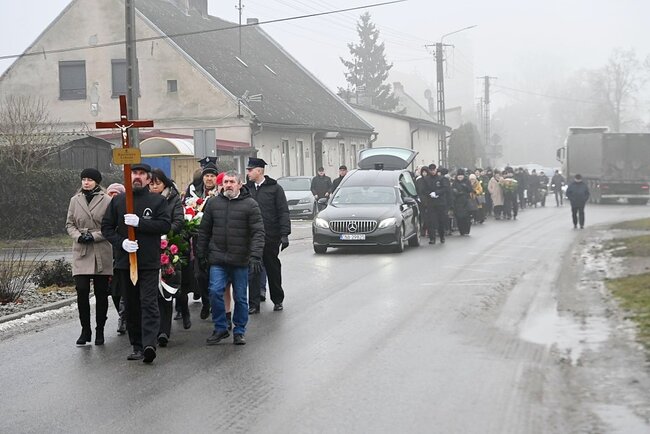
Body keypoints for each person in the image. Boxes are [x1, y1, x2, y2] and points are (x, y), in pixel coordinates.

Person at [101, 163, 171, 364]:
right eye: (134, 174)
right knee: (131, 305)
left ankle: (149, 344)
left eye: (142, 174)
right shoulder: (118, 201)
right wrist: (121, 242)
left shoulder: (157, 201)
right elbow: (106, 228)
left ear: (148, 179)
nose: (137, 177)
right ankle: (137, 346)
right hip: (125, 262)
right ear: (128, 177)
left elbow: (165, 225)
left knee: (148, 303)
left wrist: (141, 223)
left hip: (148, 261)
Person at [197, 170, 265, 345]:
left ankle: (239, 330)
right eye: (226, 182)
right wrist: (201, 254)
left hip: (240, 260)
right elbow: (204, 231)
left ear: (239, 185)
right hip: (218, 259)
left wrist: (255, 255)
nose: (228, 185)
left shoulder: (250, 205)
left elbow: (258, 232)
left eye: (232, 182)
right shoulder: (213, 204)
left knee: (240, 297)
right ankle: (220, 327)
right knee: (215, 292)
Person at [65, 168, 113, 346]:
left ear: (97, 182)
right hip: (81, 249)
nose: (86, 182)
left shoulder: (107, 200)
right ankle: (85, 330)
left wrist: (94, 236)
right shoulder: (75, 200)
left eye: (90, 179)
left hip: (101, 248)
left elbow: (110, 225)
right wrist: (78, 236)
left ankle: (100, 329)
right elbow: (69, 224)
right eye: (84, 179)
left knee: (101, 292)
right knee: (82, 289)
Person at [245, 157, 291, 313]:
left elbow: (283, 212)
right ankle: (254, 303)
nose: (248, 172)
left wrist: (284, 234)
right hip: (252, 237)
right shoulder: (246, 189)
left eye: (250, 170)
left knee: (272, 268)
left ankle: (278, 300)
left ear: (259, 171)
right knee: (253, 270)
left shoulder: (275, 189)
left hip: (270, 236)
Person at [150, 168, 186, 347]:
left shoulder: (173, 199)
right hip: (148, 247)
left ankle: (164, 330)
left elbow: (179, 221)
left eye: (158, 183)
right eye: (151, 183)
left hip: (168, 248)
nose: (154, 187)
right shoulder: (145, 199)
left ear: (165, 184)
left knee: (166, 289)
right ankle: (153, 328)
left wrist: (165, 233)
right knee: (151, 292)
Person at [186, 162, 219, 320]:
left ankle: (216, 304)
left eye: (212, 176)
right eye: (207, 175)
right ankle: (206, 302)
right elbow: (185, 207)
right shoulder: (194, 191)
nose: (209, 178)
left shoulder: (220, 192)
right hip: (198, 237)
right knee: (199, 274)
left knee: (215, 274)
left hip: (216, 238)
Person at [106, 183, 128, 335]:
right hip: (108, 254)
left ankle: (124, 317)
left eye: (116, 194)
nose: (113, 197)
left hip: (123, 252)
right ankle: (122, 314)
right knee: (114, 291)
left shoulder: (125, 207)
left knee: (124, 290)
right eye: (110, 194)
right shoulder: (105, 210)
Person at [450, 169, 474, 236]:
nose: (460, 177)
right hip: (457, 203)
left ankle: (467, 230)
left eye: (461, 176)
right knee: (459, 218)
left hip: (466, 202)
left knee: (466, 217)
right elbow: (452, 191)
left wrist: (466, 187)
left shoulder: (467, 181)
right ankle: (461, 231)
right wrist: (455, 192)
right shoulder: (455, 183)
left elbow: (470, 190)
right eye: (459, 176)